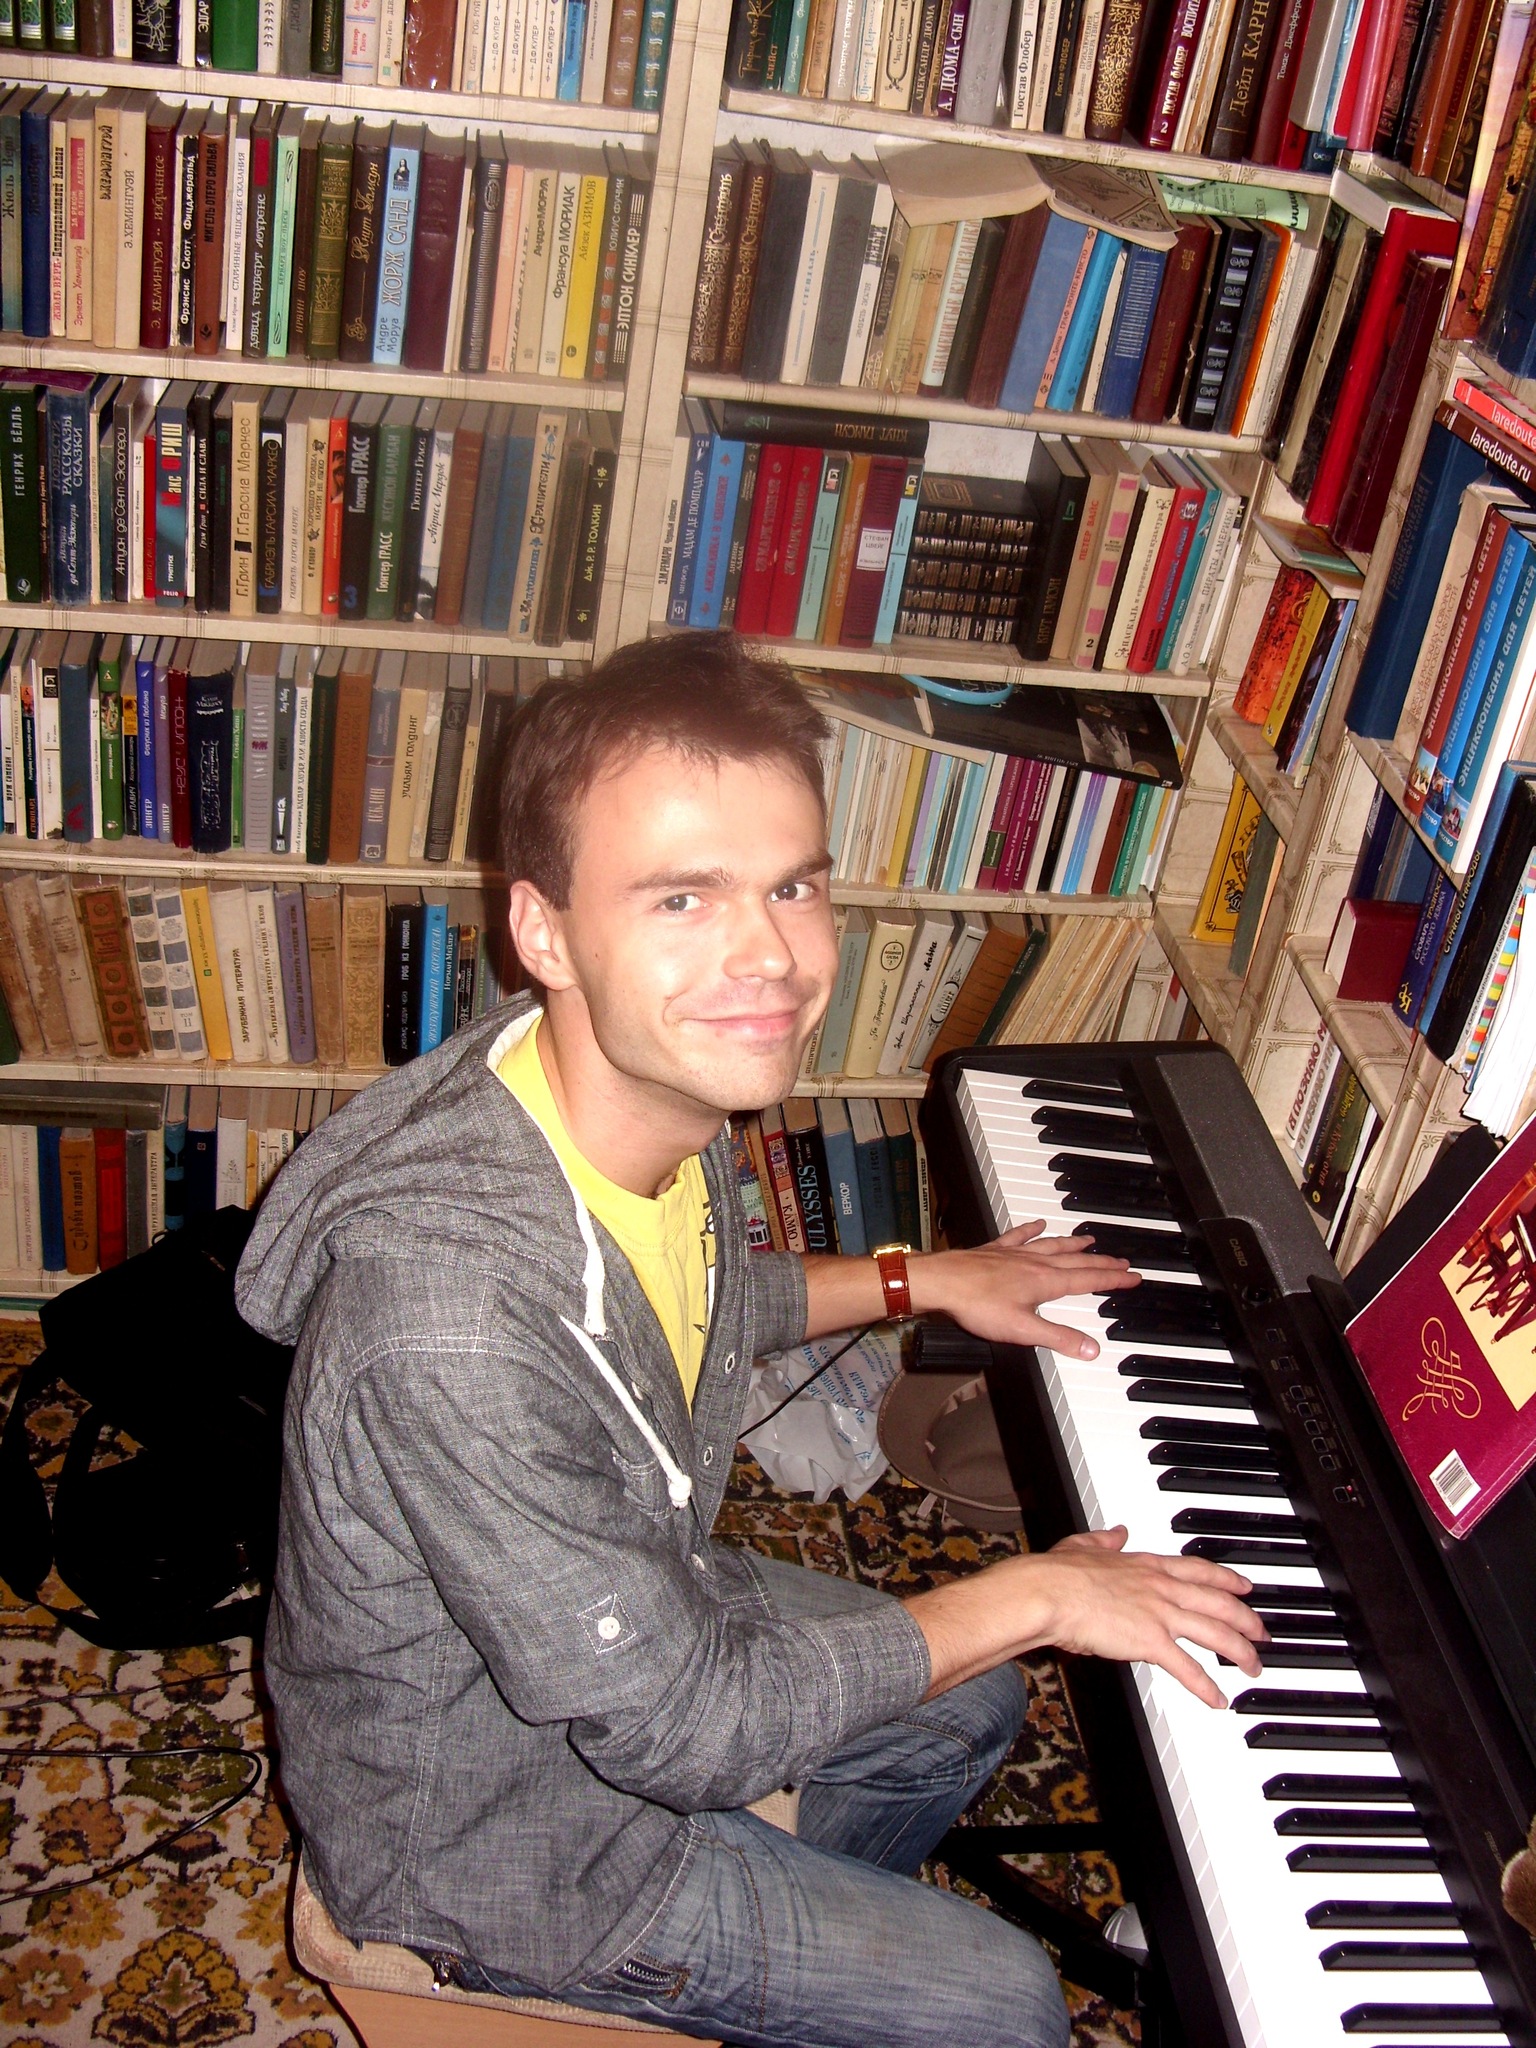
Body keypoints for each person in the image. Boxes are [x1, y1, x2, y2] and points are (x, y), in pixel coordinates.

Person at [236, 632, 1266, 2048]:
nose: (770, 956)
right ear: (544, 932)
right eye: (684, 896)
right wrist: (1039, 1592)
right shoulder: (448, 1323)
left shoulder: (618, 1093)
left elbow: (695, 1302)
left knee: (967, 1712)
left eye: (792, 884)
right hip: (497, 1837)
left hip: (631, 1613)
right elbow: (685, 1729)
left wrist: (923, 1278)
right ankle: (732, 1961)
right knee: (1003, 2007)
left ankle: (779, 1959)